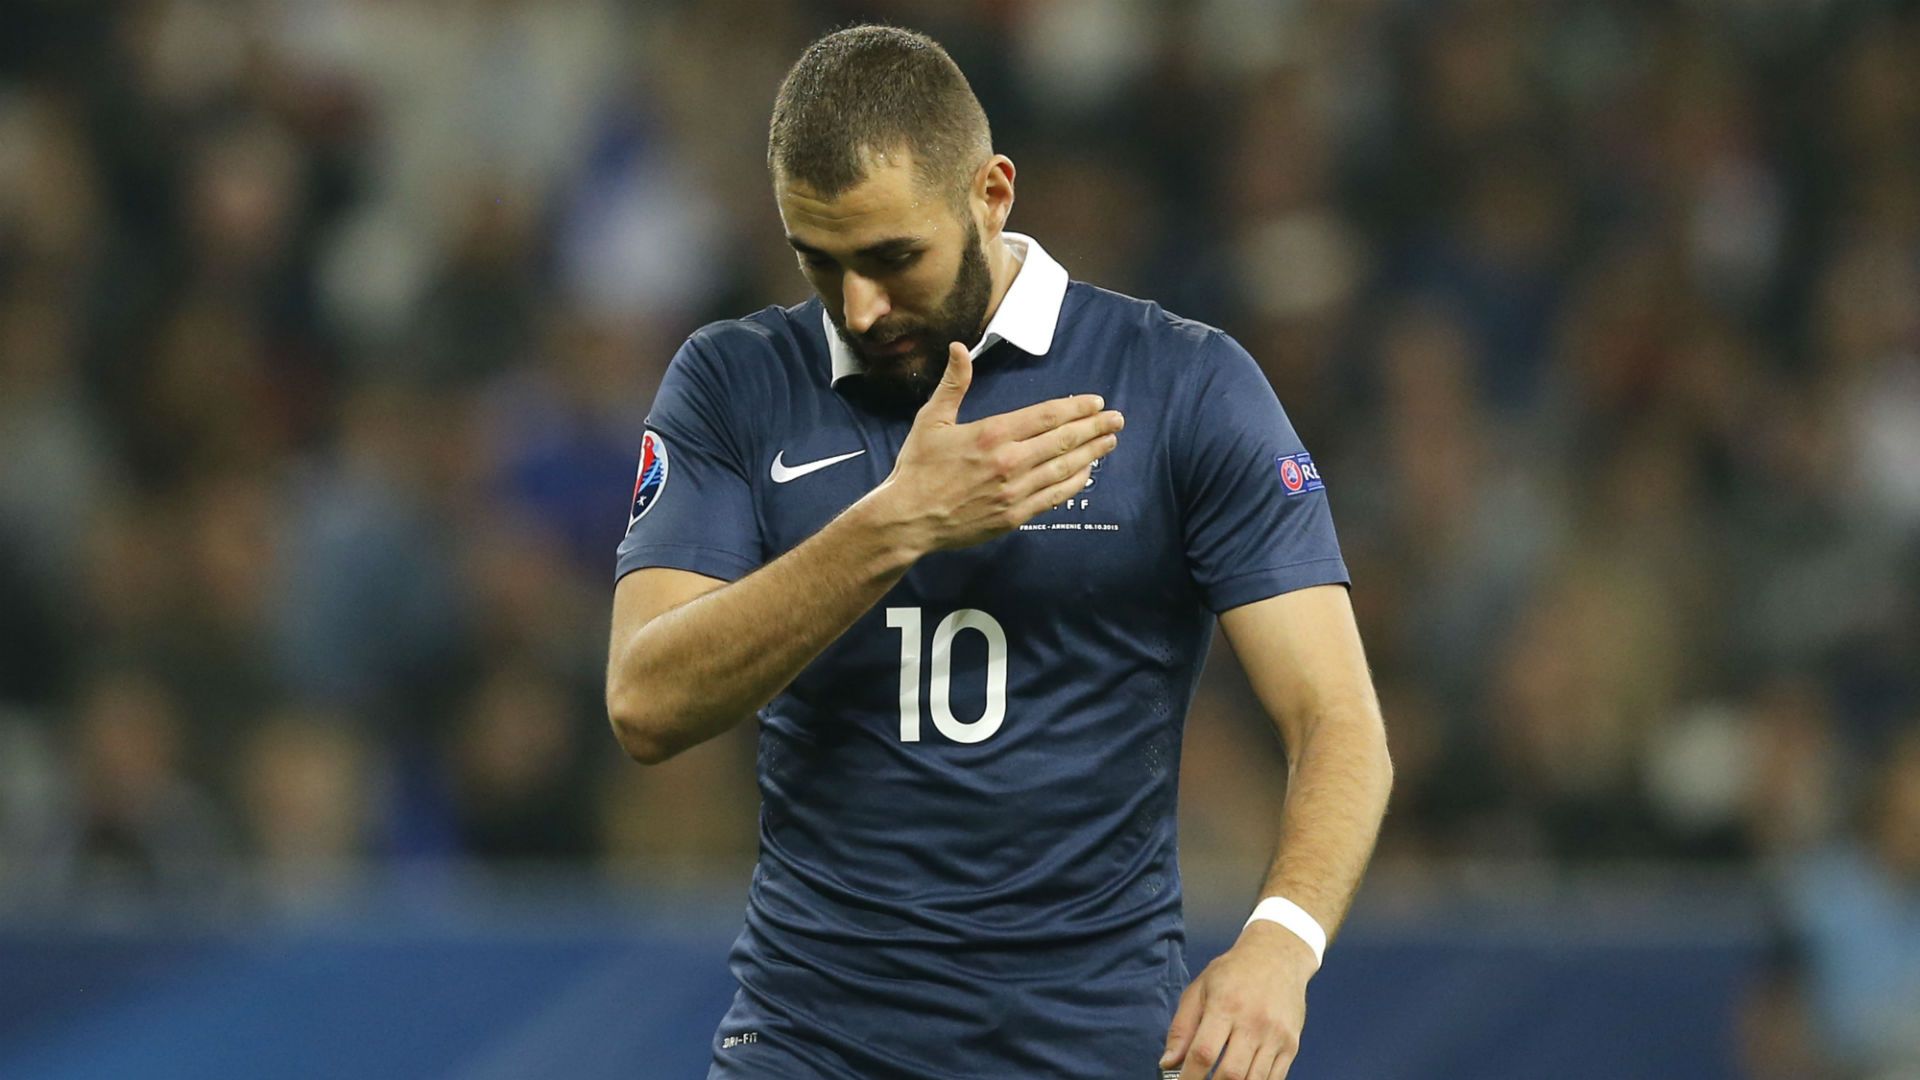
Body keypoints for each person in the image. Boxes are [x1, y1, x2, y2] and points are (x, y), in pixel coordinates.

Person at [605, 25, 1393, 1080]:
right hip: (809, 1044)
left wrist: (1281, 943)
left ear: (991, 194)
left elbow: (1338, 717)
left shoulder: (1183, 387)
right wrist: (896, 524)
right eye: (818, 260)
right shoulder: (733, 383)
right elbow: (645, 700)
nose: (859, 307)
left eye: (892, 259)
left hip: (1090, 1046)